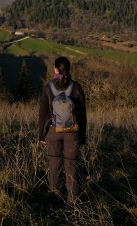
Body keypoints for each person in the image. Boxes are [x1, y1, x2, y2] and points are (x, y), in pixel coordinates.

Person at [37, 56, 87, 202]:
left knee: (54, 165)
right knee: (71, 165)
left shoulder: (48, 87)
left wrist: (41, 135)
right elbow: (82, 114)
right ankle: (73, 201)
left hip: (53, 132)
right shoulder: (76, 87)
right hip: (73, 133)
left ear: (56, 70)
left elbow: (43, 113)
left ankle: (55, 198)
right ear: (69, 69)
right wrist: (82, 135)